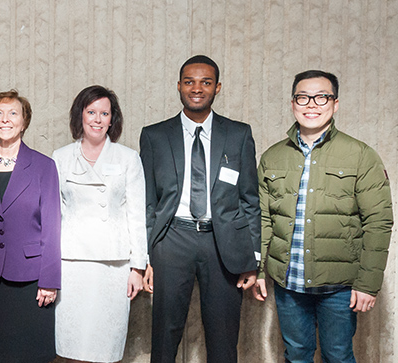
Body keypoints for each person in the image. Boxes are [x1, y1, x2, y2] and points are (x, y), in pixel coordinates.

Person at [252, 70, 392, 362]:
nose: (311, 104)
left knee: (338, 355)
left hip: (339, 287)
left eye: (321, 97)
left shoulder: (360, 155)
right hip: (289, 283)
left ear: (335, 103)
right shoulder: (272, 157)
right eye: (303, 97)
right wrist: (257, 269)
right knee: (296, 354)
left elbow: (378, 222)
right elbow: (263, 219)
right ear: (293, 104)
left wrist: (367, 284)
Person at [139, 55, 260, 363]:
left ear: (217, 87)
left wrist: (252, 258)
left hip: (223, 244)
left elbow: (249, 200)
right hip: (171, 240)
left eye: (205, 82)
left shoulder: (238, 134)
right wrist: (146, 255)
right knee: (165, 335)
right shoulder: (154, 135)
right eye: (189, 81)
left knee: (223, 338)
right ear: (178, 86)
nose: (197, 88)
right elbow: (148, 202)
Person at [52, 85, 146, 362]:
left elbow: (137, 215)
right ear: (79, 116)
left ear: (112, 119)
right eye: (91, 112)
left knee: (106, 346)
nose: (97, 119)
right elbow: (52, 215)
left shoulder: (128, 158)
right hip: (71, 262)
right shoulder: (60, 157)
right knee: (70, 344)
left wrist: (137, 267)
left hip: (113, 264)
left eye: (104, 113)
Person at [0, 90, 60, 363]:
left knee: (30, 353)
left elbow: (52, 227)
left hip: (31, 279)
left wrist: (50, 281)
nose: (5, 119)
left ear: (24, 121)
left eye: (13, 113)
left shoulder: (44, 166)